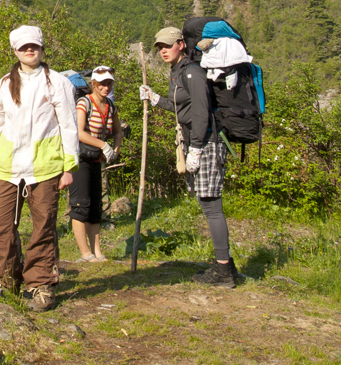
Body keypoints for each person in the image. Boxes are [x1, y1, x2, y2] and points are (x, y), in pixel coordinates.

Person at [0, 25, 80, 311]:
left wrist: (69, 167)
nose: (29, 50)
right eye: (24, 46)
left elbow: (69, 125)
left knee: (43, 227)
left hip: (45, 167)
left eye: (34, 46)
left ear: (41, 48)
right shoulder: (4, 83)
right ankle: (8, 283)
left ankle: (41, 285)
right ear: (14, 50)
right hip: (6, 166)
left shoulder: (58, 82)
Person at [141, 26, 238, 287]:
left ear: (181, 44)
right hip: (197, 141)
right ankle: (226, 264)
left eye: (168, 45)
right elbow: (180, 107)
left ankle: (224, 271)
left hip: (206, 141)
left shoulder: (193, 71)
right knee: (208, 204)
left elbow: (201, 111)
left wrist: (195, 147)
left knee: (211, 205)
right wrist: (155, 98)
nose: (163, 50)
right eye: (160, 47)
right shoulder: (178, 72)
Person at [71, 65, 123, 261]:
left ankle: (97, 251)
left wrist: (115, 149)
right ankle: (85, 253)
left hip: (97, 159)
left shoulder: (110, 106)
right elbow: (79, 132)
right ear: (93, 84)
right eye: (101, 83)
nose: (105, 87)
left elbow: (118, 131)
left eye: (108, 83)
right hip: (80, 159)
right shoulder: (84, 103)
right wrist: (103, 145)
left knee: (95, 207)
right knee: (80, 205)